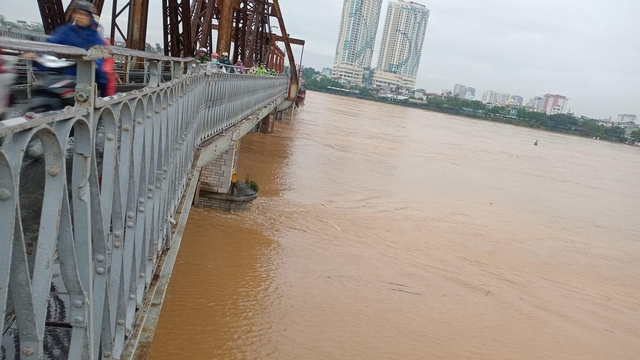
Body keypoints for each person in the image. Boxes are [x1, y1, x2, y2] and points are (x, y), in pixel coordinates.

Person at [21, 1, 107, 95]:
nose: (79, 16)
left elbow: (99, 56)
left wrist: (94, 64)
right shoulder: (66, 30)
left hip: (83, 77)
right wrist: (36, 54)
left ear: (90, 17)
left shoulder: (95, 37)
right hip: (64, 72)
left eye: (84, 14)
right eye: (76, 13)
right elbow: (51, 44)